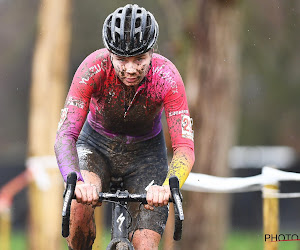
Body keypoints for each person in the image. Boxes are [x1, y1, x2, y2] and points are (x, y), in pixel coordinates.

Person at [54, 4, 195, 250]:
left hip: (146, 155)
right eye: (121, 59)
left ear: (152, 51)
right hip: (95, 147)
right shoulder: (92, 69)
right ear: (109, 53)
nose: (130, 69)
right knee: (79, 207)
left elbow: (184, 147)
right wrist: (75, 182)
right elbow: (65, 135)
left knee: (146, 244)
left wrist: (166, 186)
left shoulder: (168, 78)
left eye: (139, 59)